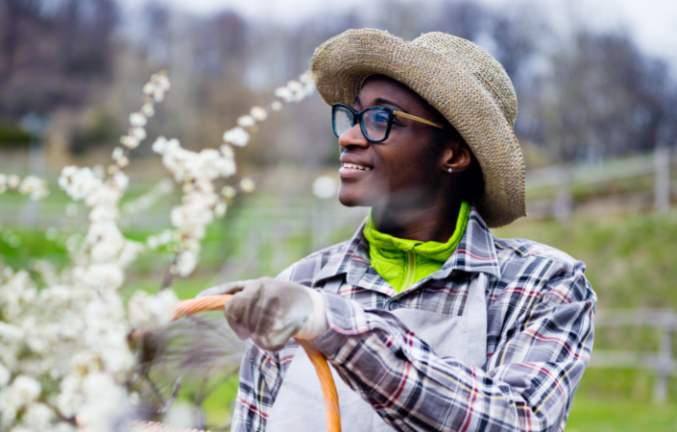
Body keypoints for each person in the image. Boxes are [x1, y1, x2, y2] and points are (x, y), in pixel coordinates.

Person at [200, 29, 596, 432]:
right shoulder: (303, 282)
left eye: (380, 119)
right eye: (354, 116)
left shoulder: (540, 286)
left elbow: (518, 422)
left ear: (454, 154)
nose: (350, 137)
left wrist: (333, 325)